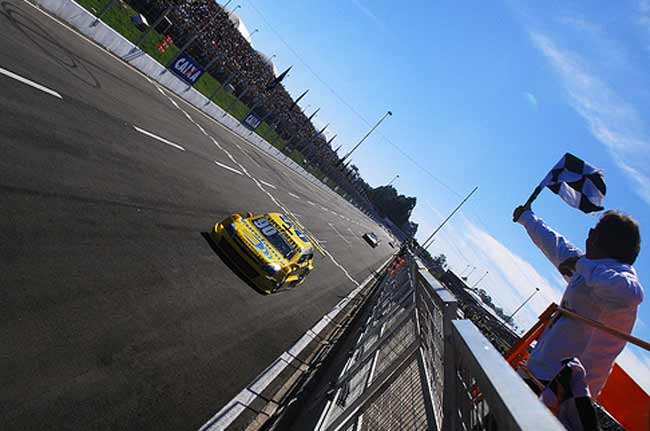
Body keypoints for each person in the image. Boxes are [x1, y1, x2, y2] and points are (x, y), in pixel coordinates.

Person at [512, 204, 643, 398]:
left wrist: (580, 264)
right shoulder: (590, 267)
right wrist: (527, 218)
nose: (588, 234)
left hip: (560, 397)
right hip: (537, 378)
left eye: (593, 231)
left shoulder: (619, 277)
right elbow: (556, 245)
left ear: (597, 238)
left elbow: (632, 294)